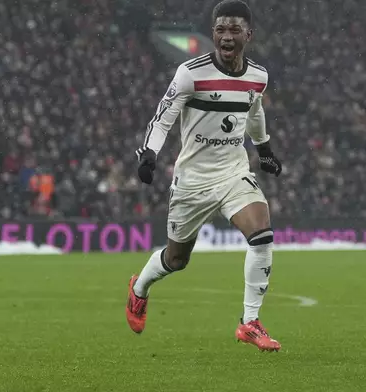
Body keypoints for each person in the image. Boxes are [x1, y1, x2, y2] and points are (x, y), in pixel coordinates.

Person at [125, 0, 283, 352]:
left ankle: (249, 322)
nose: (227, 37)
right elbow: (164, 116)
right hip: (193, 180)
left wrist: (265, 150)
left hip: (233, 171)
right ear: (213, 33)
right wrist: (149, 153)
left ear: (248, 35)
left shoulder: (258, 77)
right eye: (221, 29)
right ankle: (139, 289)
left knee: (262, 234)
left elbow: (254, 113)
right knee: (176, 260)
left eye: (234, 30)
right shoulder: (190, 73)